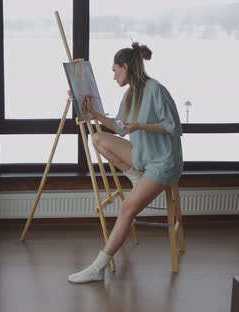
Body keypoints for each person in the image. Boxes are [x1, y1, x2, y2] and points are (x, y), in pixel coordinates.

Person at [68, 42, 183, 283]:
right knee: (98, 138)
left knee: (125, 209)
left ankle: (98, 267)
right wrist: (95, 114)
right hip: (144, 156)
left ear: (126, 67)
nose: (113, 76)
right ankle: (134, 175)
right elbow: (120, 127)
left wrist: (140, 126)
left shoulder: (156, 90)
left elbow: (173, 127)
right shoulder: (130, 94)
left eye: (115, 70)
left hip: (163, 163)